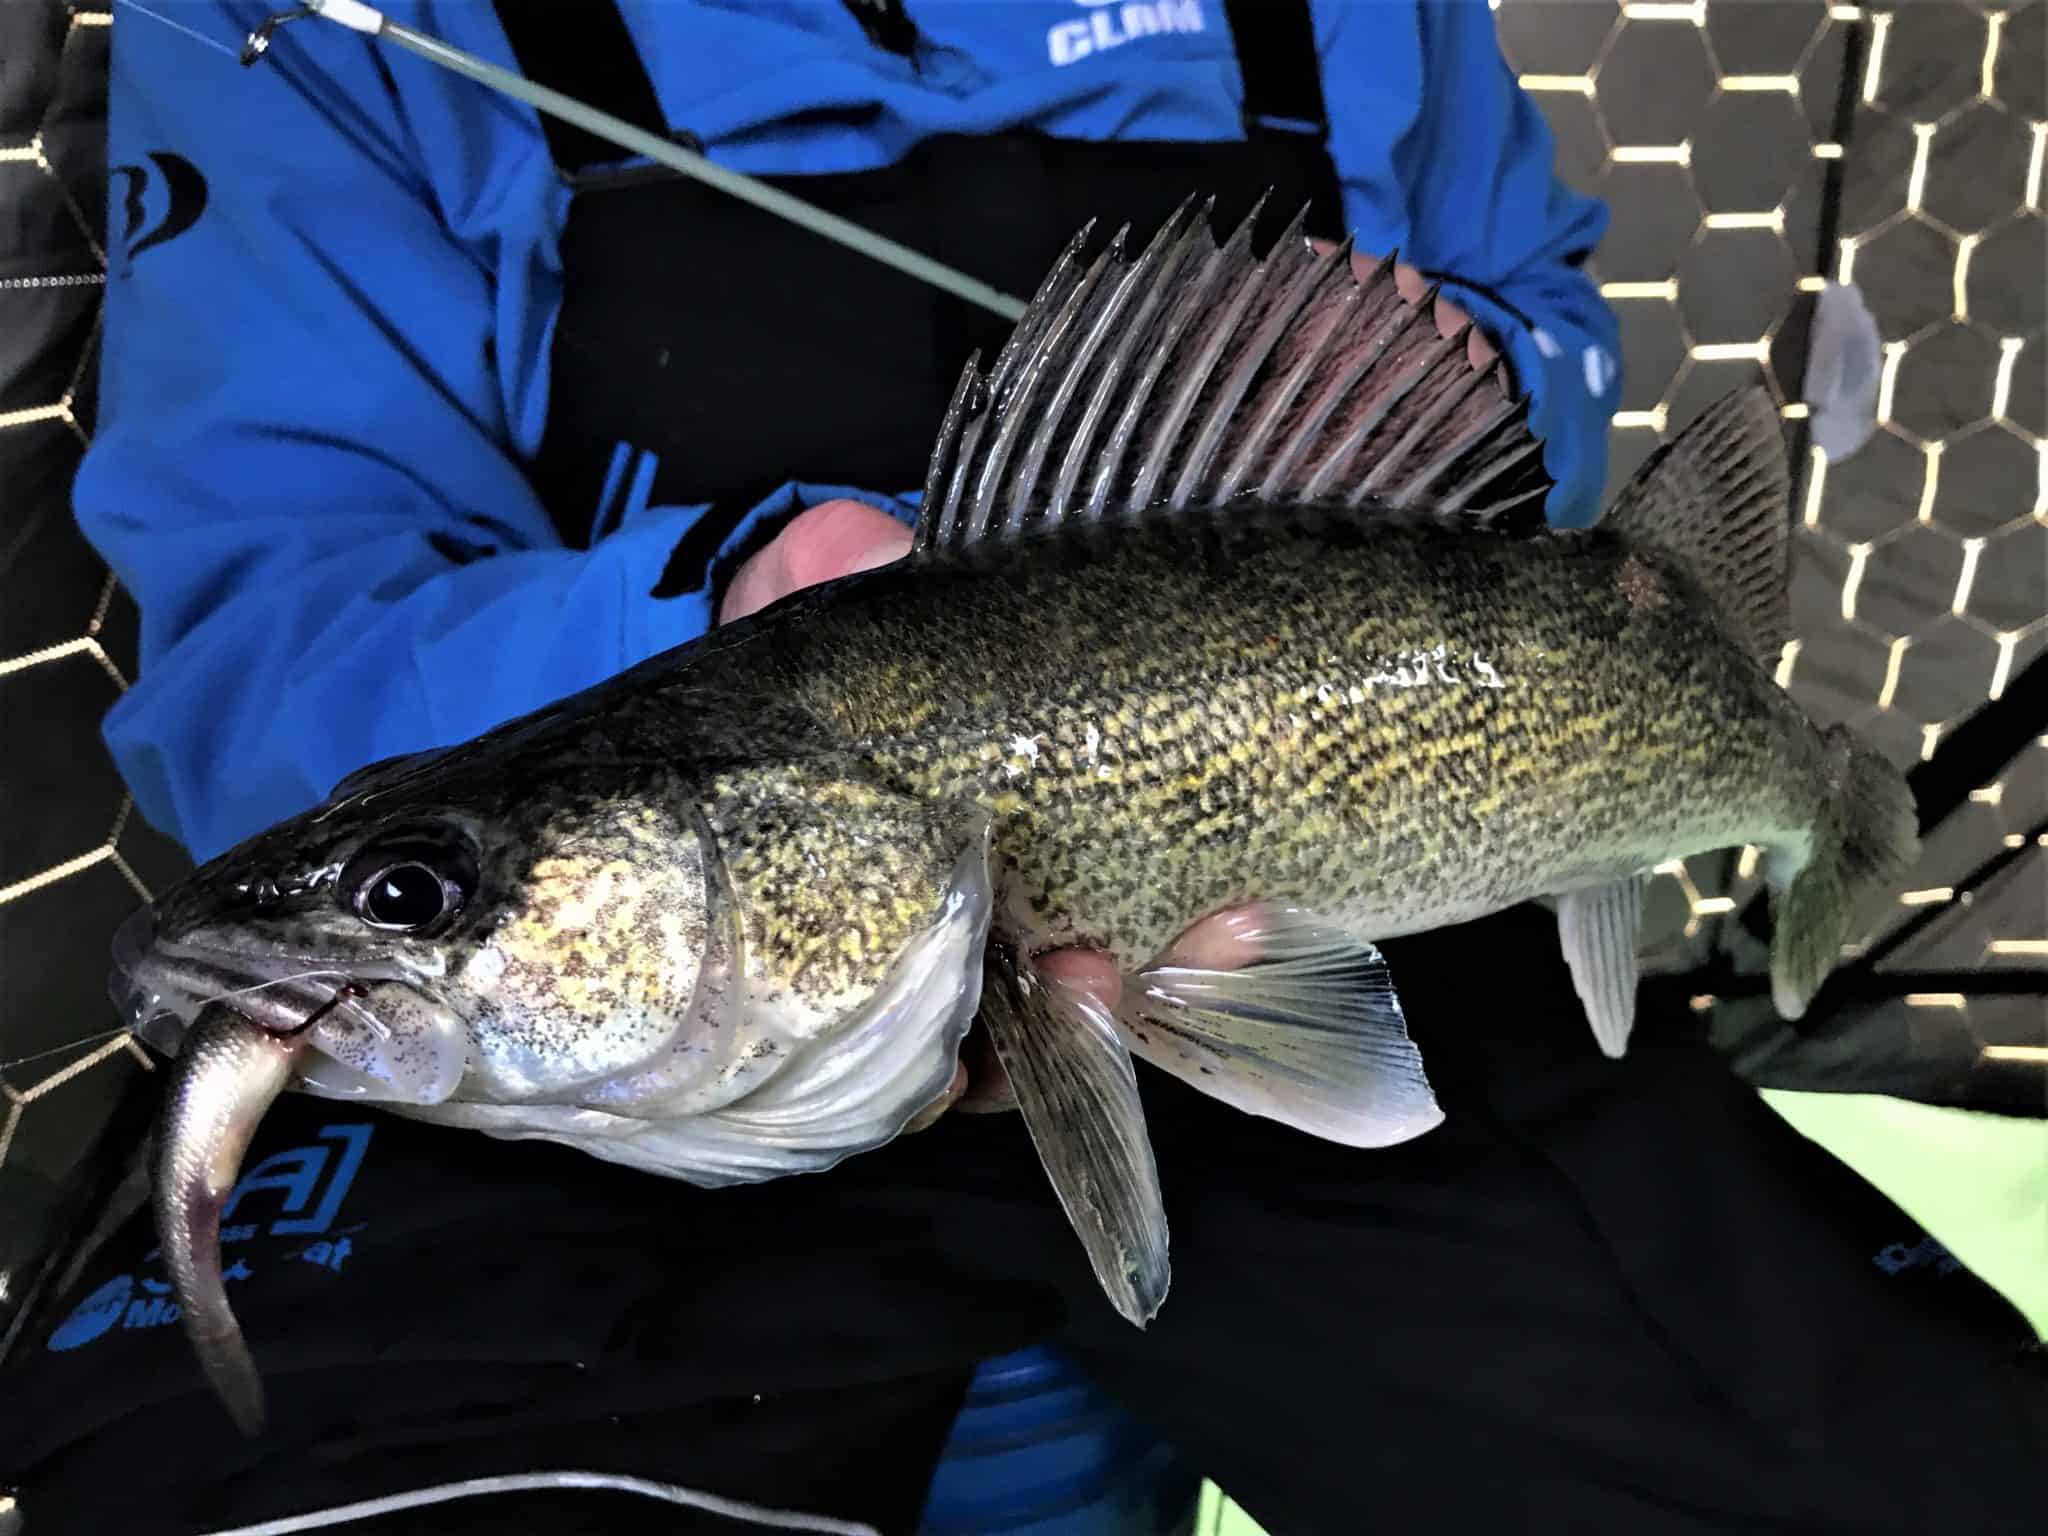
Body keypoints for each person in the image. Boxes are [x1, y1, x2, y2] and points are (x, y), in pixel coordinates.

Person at [6, 3, 2039, 1534]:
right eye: (416, 904)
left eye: (418, 906)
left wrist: (1460, 368)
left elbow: (1539, 325)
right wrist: (719, 596)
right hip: (607, 1166)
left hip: (1388, 988)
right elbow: (263, 624)